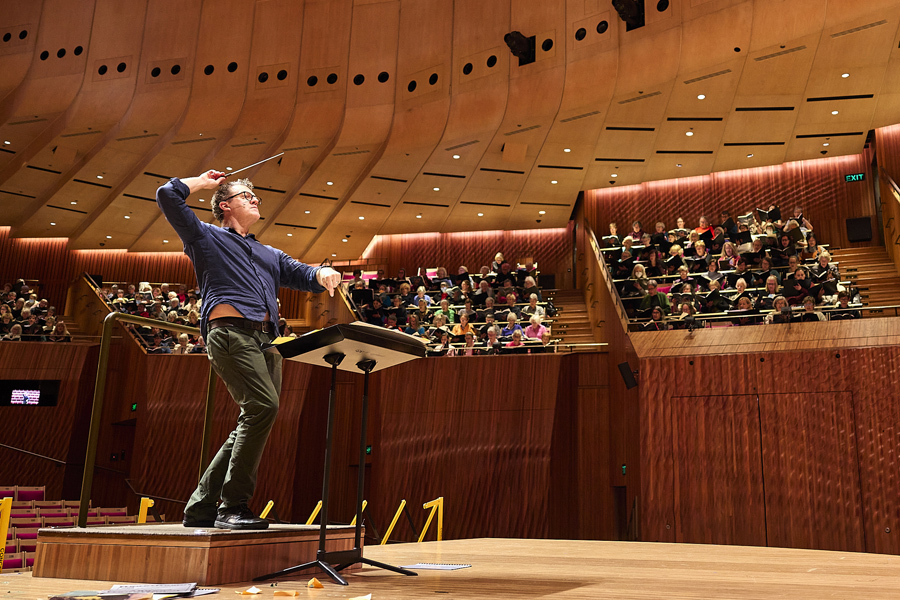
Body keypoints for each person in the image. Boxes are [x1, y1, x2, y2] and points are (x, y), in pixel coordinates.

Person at [156, 169, 341, 531]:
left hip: (266, 342)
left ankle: (201, 506)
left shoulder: (268, 252)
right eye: (245, 195)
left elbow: (302, 272)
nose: (255, 199)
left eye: (255, 196)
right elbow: (167, 195)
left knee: (255, 418)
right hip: (231, 334)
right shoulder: (204, 237)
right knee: (262, 408)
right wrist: (204, 182)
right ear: (224, 206)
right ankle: (232, 506)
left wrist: (323, 272)